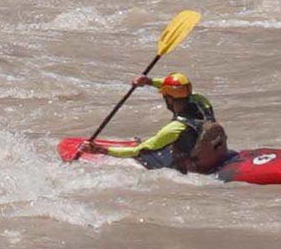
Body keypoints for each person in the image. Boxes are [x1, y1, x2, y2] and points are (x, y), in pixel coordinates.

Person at [78, 72, 232, 174]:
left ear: (169, 99)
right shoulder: (202, 101)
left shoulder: (175, 128)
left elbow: (138, 151)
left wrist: (101, 150)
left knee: (142, 155)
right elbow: (180, 90)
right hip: (215, 153)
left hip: (192, 165)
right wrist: (149, 81)